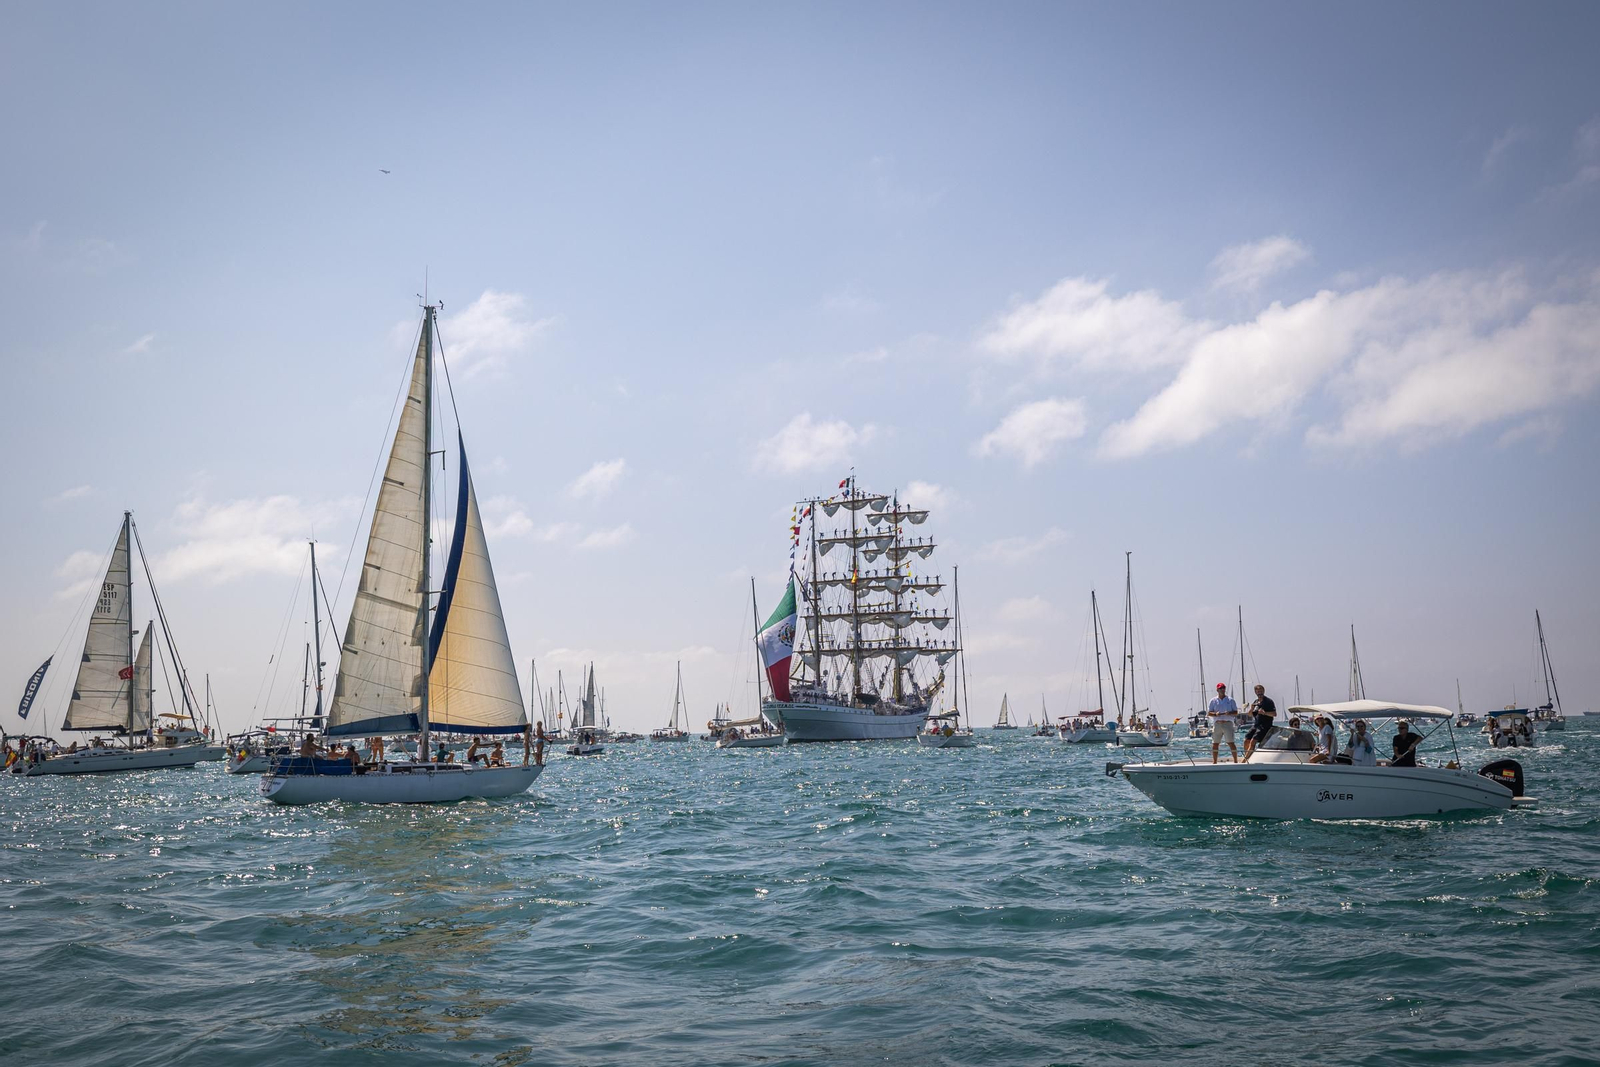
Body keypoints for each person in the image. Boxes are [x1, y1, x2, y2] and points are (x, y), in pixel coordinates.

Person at [1241, 684, 1278, 761]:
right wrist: (1251, 709)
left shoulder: (1268, 701)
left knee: (1253, 741)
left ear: (1263, 691)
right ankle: (1248, 756)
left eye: (1261, 692)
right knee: (1246, 740)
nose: (1259, 694)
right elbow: (1250, 714)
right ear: (1255, 692)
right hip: (1256, 725)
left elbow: (1274, 714)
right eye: (1258, 692)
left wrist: (1265, 713)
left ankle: (1244, 760)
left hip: (1264, 726)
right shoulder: (1256, 702)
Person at [1208, 683, 1239, 764]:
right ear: (1217, 690)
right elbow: (1209, 713)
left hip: (1227, 723)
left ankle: (1236, 761)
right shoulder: (1213, 700)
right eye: (1220, 688)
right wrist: (1215, 714)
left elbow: (1236, 712)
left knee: (1231, 742)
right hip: (1217, 724)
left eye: (1223, 688)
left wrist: (1229, 713)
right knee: (1215, 744)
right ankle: (1214, 762)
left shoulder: (1230, 700)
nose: (1222, 690)